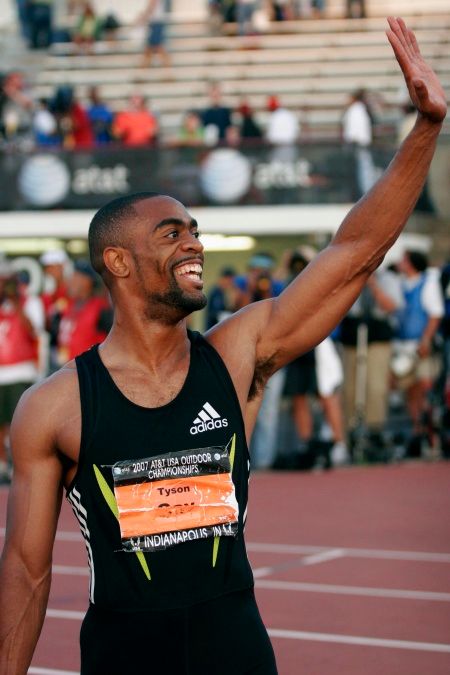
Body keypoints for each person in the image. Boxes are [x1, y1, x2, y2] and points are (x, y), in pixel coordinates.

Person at [0, 18, 447, 674]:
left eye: (196, 230)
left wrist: (426, 129)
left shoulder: (238, 353)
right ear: (118, 263)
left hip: (235, 652)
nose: (194, 244)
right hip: (124, 657)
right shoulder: (55, 407)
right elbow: (27, 574)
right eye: (172, 233)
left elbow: (353, 254)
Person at [392, 250, 444, 456]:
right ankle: (418, 430)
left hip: (420, 346)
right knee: (410, 390)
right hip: (402, 345)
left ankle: (431, 434)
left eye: (404, 260)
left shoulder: (427, 283)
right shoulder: (400, 284)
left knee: (425, 387)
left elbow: (435, 313)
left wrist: (426, 339)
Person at [0, 260, 44, 485]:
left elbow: (32, 330)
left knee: (19, 423)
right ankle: (2, 465)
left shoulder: (29, 302)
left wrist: (16, 303)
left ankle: (20, 464)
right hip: (1, 373)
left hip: (21, 371)